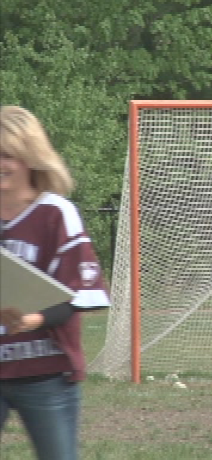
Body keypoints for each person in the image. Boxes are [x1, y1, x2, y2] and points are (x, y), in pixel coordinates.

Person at [0, 106, 110, 460]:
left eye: (6, 155)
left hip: (45, 371)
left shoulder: (55, 212)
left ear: (30, 157)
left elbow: (80, 296)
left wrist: (31, 319)